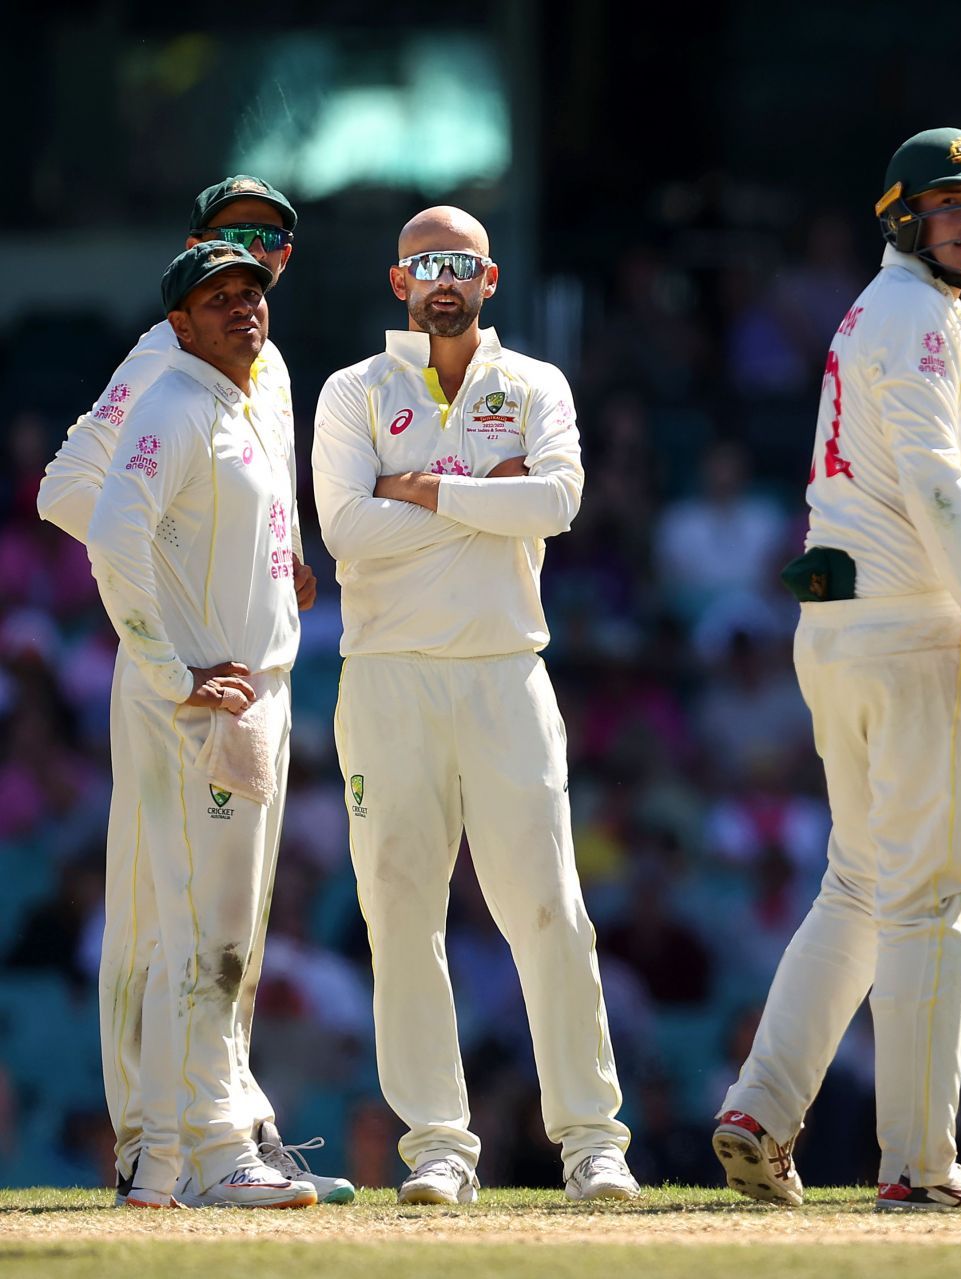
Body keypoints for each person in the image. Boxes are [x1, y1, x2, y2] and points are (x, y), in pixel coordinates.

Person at [711, 126, 961, 1212]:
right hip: (908, 632)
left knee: (860, 882)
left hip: (838, 633)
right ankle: (919, 1165)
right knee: (932, 895)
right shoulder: (921, 318)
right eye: (953, 207)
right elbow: (938, 485)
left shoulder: (876, 308)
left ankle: (761, 1106)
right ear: (904, 216)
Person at [310, 206, 640, 1205]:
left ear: (490, 278)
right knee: (401, 914)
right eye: (424, 265)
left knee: (548, 906)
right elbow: (344, 530)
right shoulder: (353, 391)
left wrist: (419, 491)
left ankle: (592, 1143)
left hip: (504, 671)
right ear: (398, 281)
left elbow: (556, 503)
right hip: (388, 675)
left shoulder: (533, 384)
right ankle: (440, 1149)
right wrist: (477, 496)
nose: (441, 280)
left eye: (458, 264)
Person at [36, 175, 349, 1208]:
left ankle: (210, 1134)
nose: (251, 275)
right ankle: (164, 1147)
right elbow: (74, 493)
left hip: (251, 679)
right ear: (187, 278)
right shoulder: (163, 365)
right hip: (190, 681)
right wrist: (173, 615)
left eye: (268, 253)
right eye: (228, 258)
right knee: (169, 923)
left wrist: (273, 555)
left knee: (229, 925)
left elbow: (249, 491)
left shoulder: (264, 367)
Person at [85, 241, 314, 1208]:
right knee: (200, 935)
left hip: (245, 699)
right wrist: (170, 667)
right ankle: (209, 1156)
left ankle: (171, 1165)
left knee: (223, 933)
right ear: (180, 323)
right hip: (200, 708)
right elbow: (105, 527)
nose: (243, 309)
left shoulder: (245, 397)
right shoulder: (175, 402)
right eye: (218, 299)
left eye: (252, 293)